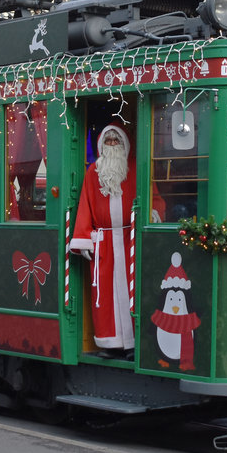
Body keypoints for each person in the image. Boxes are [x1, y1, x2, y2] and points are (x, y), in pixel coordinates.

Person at [69, 125, 163, 358]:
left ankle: (133, 344)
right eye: (108, 141)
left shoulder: (136, 169)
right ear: (101, 145)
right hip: (103, 242)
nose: (112, 145)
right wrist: (84, 239)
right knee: (105, 296)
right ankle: (110, 344)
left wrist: (152, 213)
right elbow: (84, 206)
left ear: (125, 145)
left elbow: (155, 198)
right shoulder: (93, 173)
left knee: (133, 290)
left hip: (131, 238)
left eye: (116, 141)